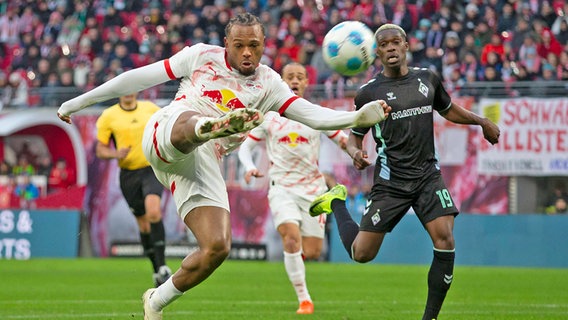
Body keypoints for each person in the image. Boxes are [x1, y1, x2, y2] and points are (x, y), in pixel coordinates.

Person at [56, 13, 390, 320]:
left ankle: (156, 301)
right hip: (168, 130)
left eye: (254, 46)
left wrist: (356, 117)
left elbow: (313, 114)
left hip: (201, 163)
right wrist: (78, 101)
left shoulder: (269, 84)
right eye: (239, 45)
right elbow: (138, 79)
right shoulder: (201, 56)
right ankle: (208, 126)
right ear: (226, 44)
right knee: (192, 122)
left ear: (263, 47)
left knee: (217, 246)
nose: (247, 53)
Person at [309, 24, 500, 320]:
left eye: (395, 42)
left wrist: (482, 121)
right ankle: (336, 201)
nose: (390, 48)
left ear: (406, 45)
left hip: (427, 176)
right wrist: (356, 153)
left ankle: (430, 318)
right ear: (377, 52)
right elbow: (355, 136)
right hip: (390, 182)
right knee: (362, 254)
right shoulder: (368, 93)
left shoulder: (427, 79)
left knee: (445, 239)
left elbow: (448, 109)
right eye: (383, 45)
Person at [237, 62, 348, 315]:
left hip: (314, 191)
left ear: (307, 83)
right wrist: (247, 166)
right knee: (290, 236)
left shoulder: (314, 114)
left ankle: (296, 263)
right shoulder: (269, 116)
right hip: (281, 187)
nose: (295, 80)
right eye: (290, 77)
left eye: (300, 76)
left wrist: (354, 151)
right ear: (282, 82)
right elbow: (246, 147)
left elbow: (340, 138)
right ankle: (304, 299)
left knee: (312, 251)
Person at [95, 93, 171, 287]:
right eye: (125, 88)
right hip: (128, 175)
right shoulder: (108, 116)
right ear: (119, 91)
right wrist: (115, 153)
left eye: (132, 87)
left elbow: (168, 126)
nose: (129, 91)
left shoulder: (150, 109)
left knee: (153, 212)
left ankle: (163, 266)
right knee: (144, 225)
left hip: (151, 169)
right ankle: (156, 269)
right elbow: (100, 150)